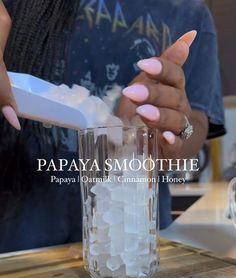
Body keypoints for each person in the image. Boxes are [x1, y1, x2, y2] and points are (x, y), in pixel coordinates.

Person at [0, 0, 225, 252]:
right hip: (16, 249)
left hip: (131, 246)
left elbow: (195, 123)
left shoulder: (190, 11)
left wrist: (166, 133)